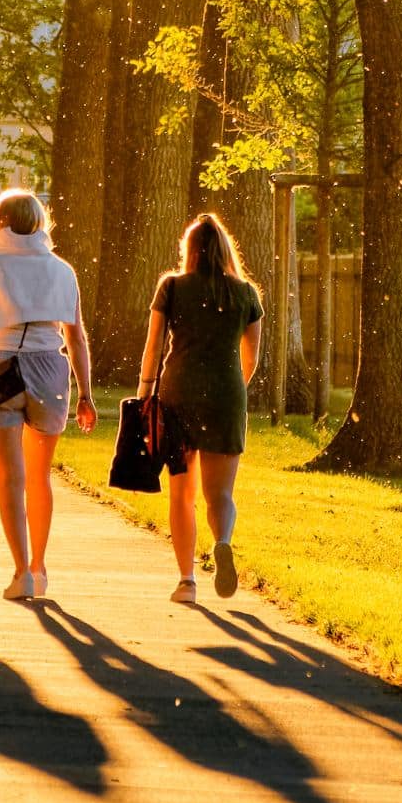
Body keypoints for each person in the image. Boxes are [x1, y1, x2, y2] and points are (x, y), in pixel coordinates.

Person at [0, 189, 97, 601]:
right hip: (49, 369)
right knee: (39, 476)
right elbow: (76, 337)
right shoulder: (61, 270)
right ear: (40, 222)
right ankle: (40, 564)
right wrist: (85, 394)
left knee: (9, 479)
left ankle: (20, 571)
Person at [136, 212, 264, 605]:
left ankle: (186, 581)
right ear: (226, 249)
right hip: (226, 395)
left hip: (179, 394)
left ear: (189, 250)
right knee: (220, 494)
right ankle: (222, 541)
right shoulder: (244, 294)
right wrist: (232, 390)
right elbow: (252, 356)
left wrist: (145, 392)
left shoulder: (172, 287)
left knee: (181, 494)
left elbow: (154, 345)